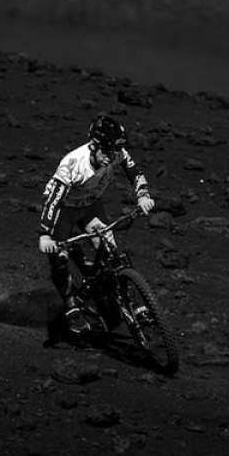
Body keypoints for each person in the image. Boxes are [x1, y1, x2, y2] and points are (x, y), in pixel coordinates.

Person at [38, 114, 155, 335]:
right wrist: (45, 235)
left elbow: (135, 172)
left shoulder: (117, 152)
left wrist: (143, 195)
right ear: (93, 145)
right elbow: (53, 200)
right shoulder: (72, 164)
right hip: (64, 209)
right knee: (59, 259)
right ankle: (71, 306)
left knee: (111, 251)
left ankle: (129, 300)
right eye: (107, 152)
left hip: (90, 205)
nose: (111, 158)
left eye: (115, 152)